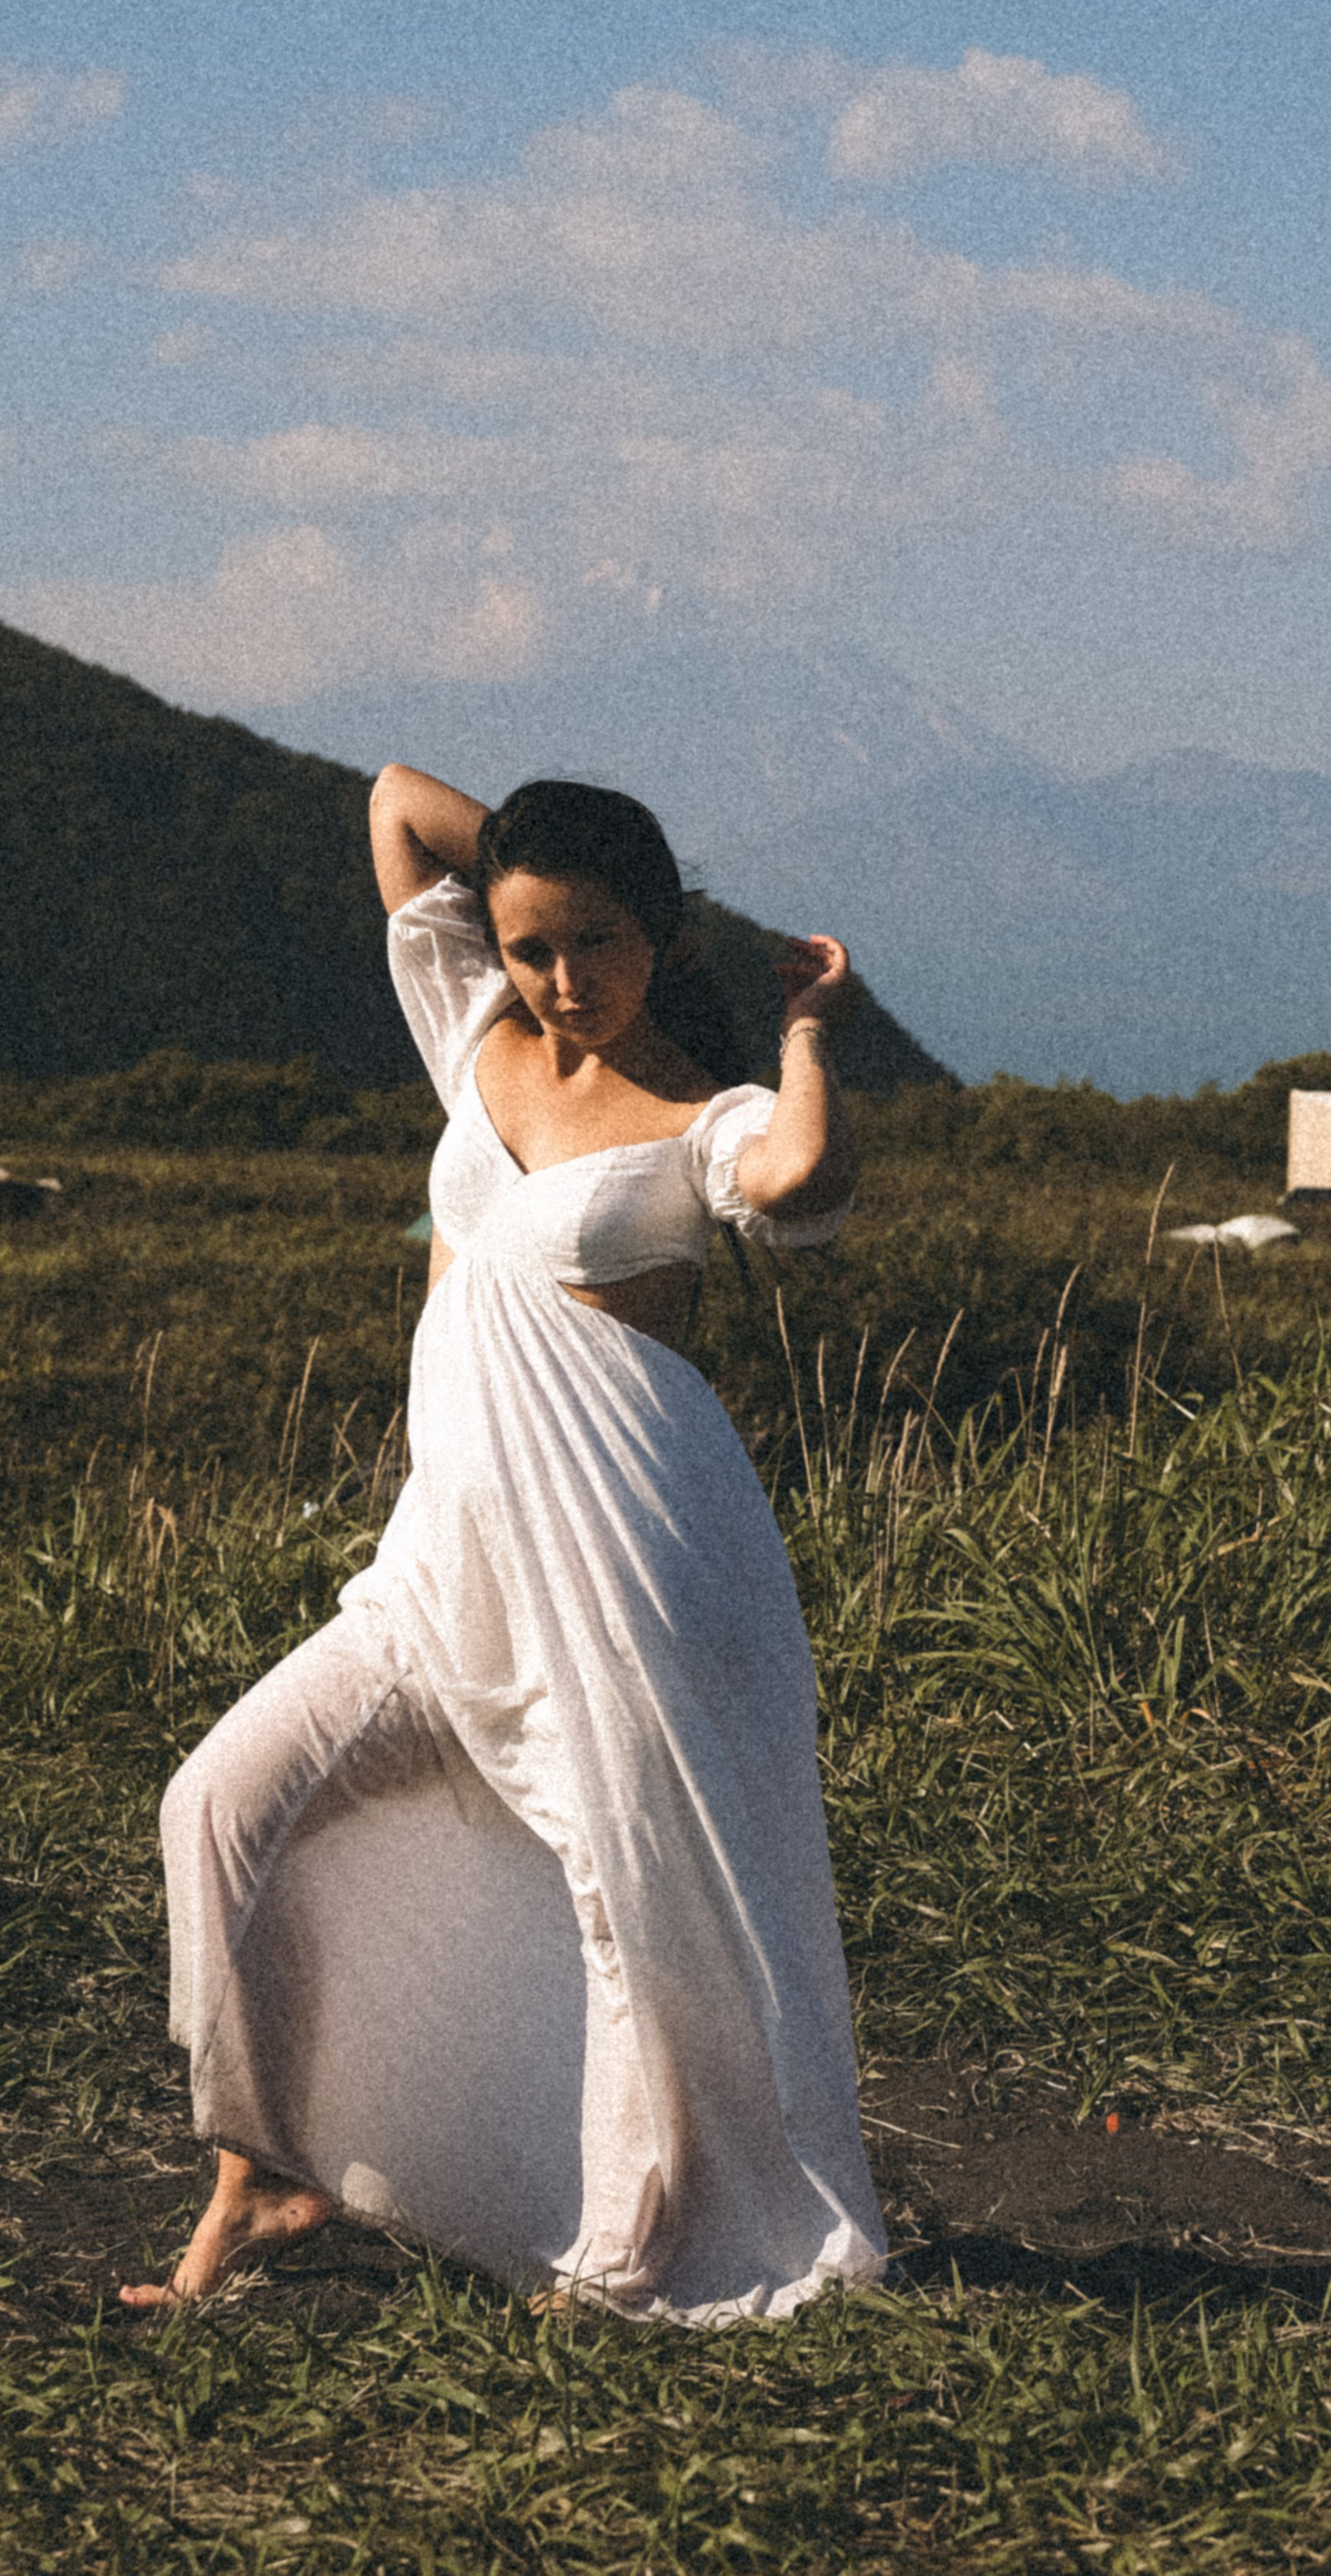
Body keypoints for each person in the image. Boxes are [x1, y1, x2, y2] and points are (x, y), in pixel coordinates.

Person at [121, 766, 884, 2322]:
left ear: (662, 937)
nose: (559, 980)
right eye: (532, 945)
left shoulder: (700, 1119)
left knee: (630, 1904)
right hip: (437, 1572)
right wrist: (533, 863)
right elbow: (402, 802)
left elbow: (804, 1179)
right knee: (219, 1805)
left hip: (617, 1573)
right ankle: (263, 2165)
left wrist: (805, 1025)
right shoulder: (479, 1040)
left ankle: (626, 2246)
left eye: (596, 943)